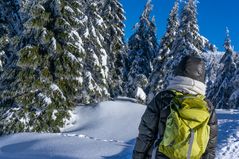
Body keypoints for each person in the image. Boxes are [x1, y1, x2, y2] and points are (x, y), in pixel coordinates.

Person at [132, 55, 218, 159]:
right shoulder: (207, 106)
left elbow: (145, 135)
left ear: (178, 72)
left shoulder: (163, 99)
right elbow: (210, 147)